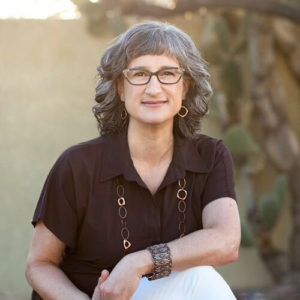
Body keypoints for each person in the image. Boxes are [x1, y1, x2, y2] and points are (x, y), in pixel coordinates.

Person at [25, 21, 241, 300]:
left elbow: (226, 241)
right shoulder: (77, 165)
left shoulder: (209, 156)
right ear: (120, 88)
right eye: (139, 74)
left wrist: (138, 262)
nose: (153, 88)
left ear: (185, 87)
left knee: (199, 277)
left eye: (168, 74)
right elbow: (39, 264)